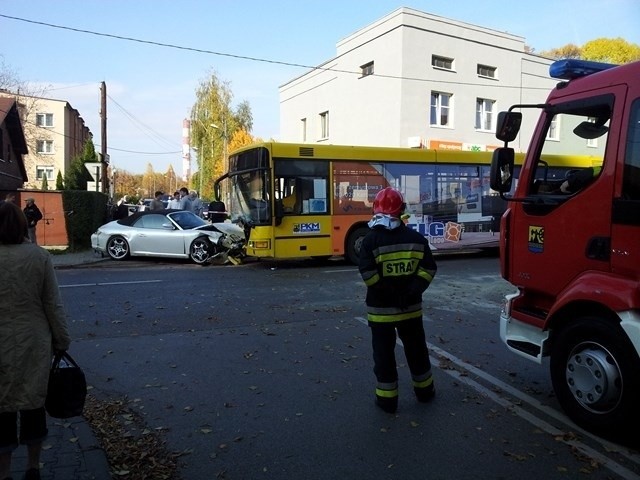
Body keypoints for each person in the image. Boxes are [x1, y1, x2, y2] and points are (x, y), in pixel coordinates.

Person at [0, 201, 71, 480]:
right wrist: (62, 339)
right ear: (22, 225)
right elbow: (52, 304)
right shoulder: (38, 257)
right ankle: (33, 467)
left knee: (3, 408)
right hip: (33, 340)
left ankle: (4, 473)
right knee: (33, 403)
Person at [358, 187, 438, 414]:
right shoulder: (417, 239)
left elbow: (368, 274)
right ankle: (425, 392)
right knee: (417, 352)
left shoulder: (369, 241)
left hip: (380, 312)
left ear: (376, 209)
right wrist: (411, 293)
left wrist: (390, 295)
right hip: (411, 309)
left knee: (383, 356)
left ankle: (387, 400)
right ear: (401, 210)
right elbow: (428, 269)